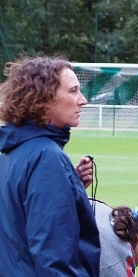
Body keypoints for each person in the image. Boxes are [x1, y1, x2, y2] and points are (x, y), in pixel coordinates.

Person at [0, 56, 101, 276]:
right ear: (43, 100)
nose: (82, 100)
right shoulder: (46, 157)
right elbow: (54, 259)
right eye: (73, 91)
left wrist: (70, 185)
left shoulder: (12, 151)